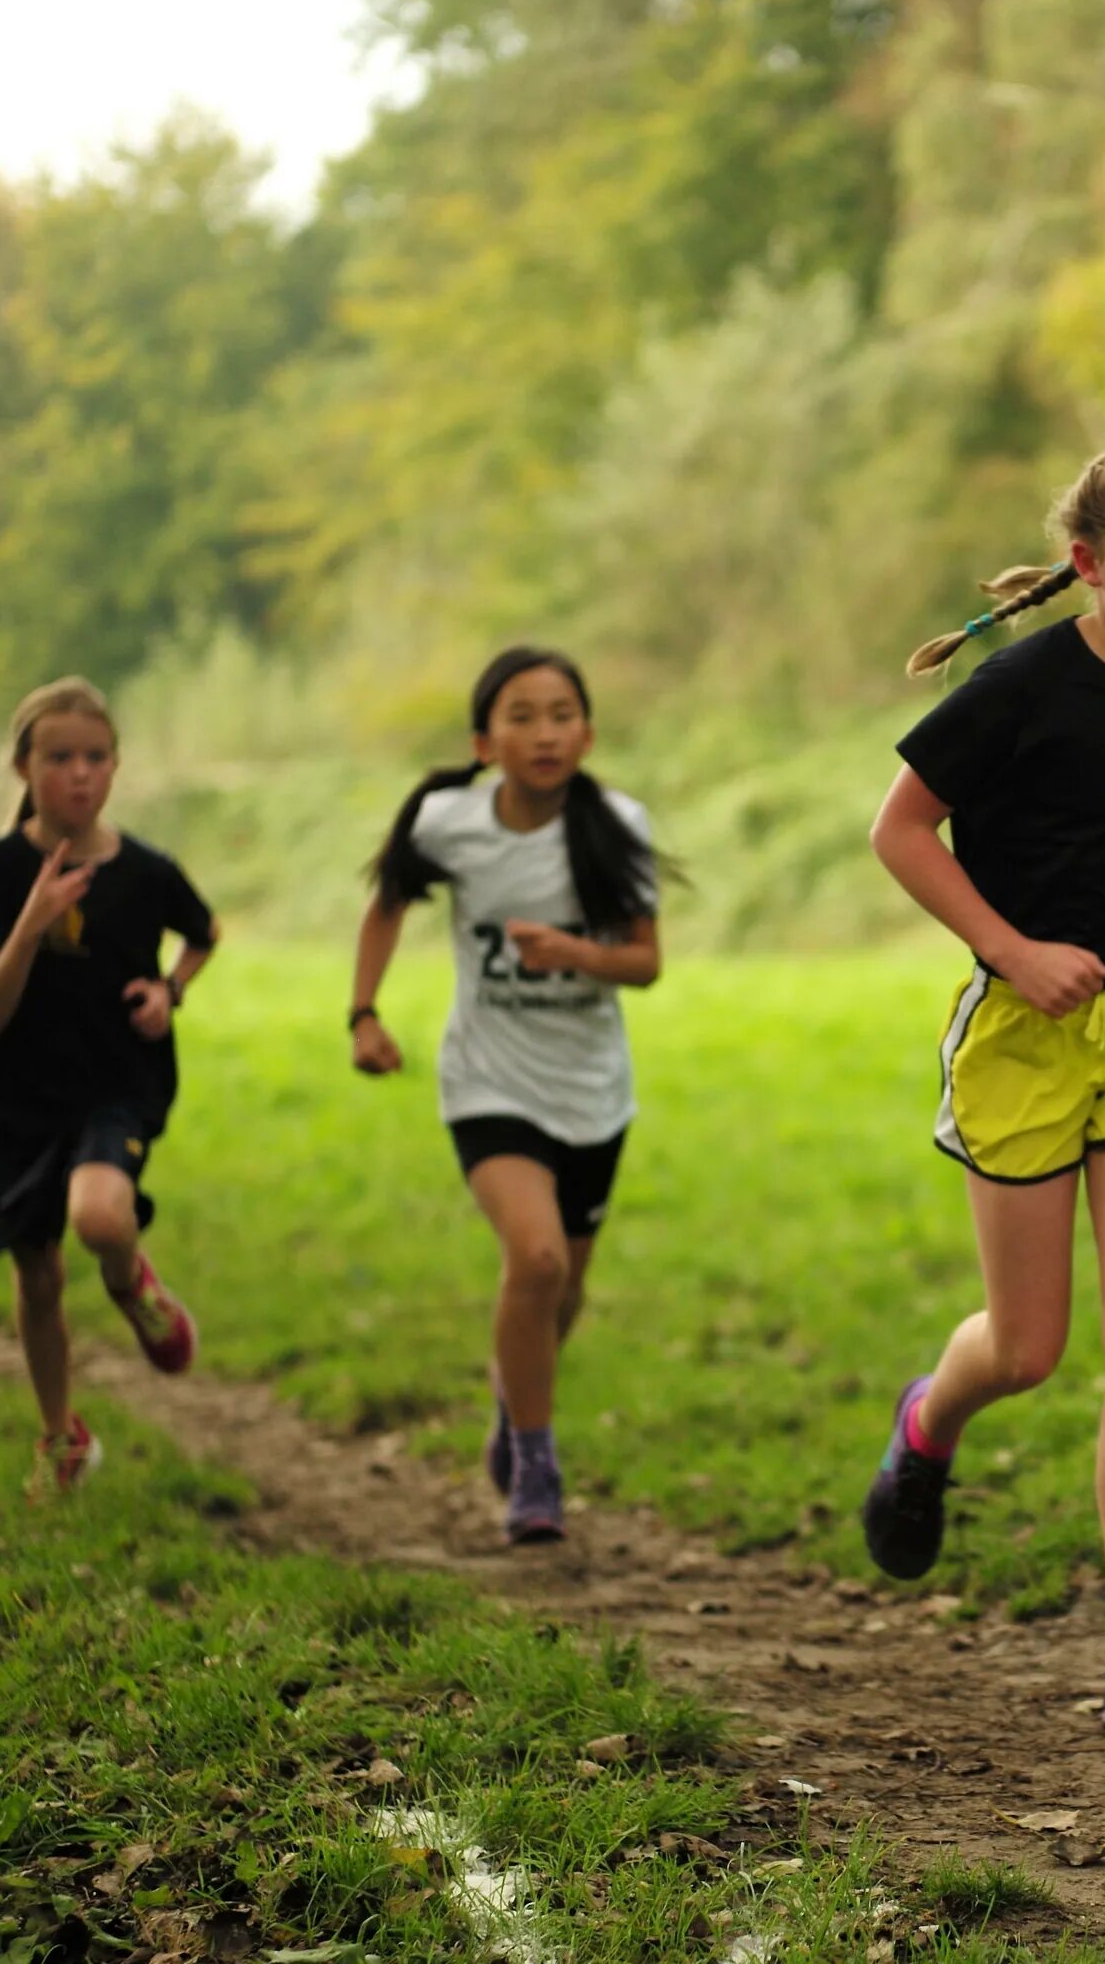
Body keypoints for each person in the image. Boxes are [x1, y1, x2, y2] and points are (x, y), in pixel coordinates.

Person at [860, 437, 1105, 1744]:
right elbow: (900, 833)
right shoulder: (1021, 687)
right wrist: (1012, 952)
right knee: (1029, 1349)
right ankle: (930, 1422)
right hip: (1027, 1040)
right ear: (1088, 562)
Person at [350, 647, 664, 1544]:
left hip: (593, 1090)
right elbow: (387, 904)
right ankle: (534, 1461)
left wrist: (579, 956)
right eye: (521, 716)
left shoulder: (616, 826)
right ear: (485, 742)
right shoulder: (449, 819)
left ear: (588, 734)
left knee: (561, 1296)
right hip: (486, 1079)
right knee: (536, 1264)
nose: (544, 732)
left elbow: (646, 963)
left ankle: (510, 1399)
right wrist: (363, 1015)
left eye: (561, 713)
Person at [0, 677, 213, 1493]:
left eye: (95, 758)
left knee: (102, 1217)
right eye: (59, 758)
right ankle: (59, 1436)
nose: (79, 774)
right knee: (36, 1274)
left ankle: (132, 1284)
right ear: (23, 767)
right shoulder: (0, 872)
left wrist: (169, 992)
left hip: (119, 1080)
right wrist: (32, 925)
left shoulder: (146, 870)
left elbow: (204, 933)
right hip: (24, 1093)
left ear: (115, 767)